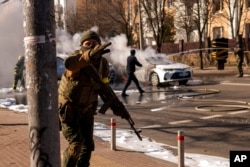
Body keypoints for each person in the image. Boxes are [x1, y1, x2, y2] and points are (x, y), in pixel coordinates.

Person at [58, 30, 111, 167]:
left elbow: (104, 84)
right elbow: (71, 66)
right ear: (82, 44)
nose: (92, 46)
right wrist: (89, 56)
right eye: (88, 43)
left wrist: (111, 100)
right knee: (76, 145)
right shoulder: (75, 58)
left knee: (88, 146)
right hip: (69, 109)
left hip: (87, 109)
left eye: (95, 43)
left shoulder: (103, 63)